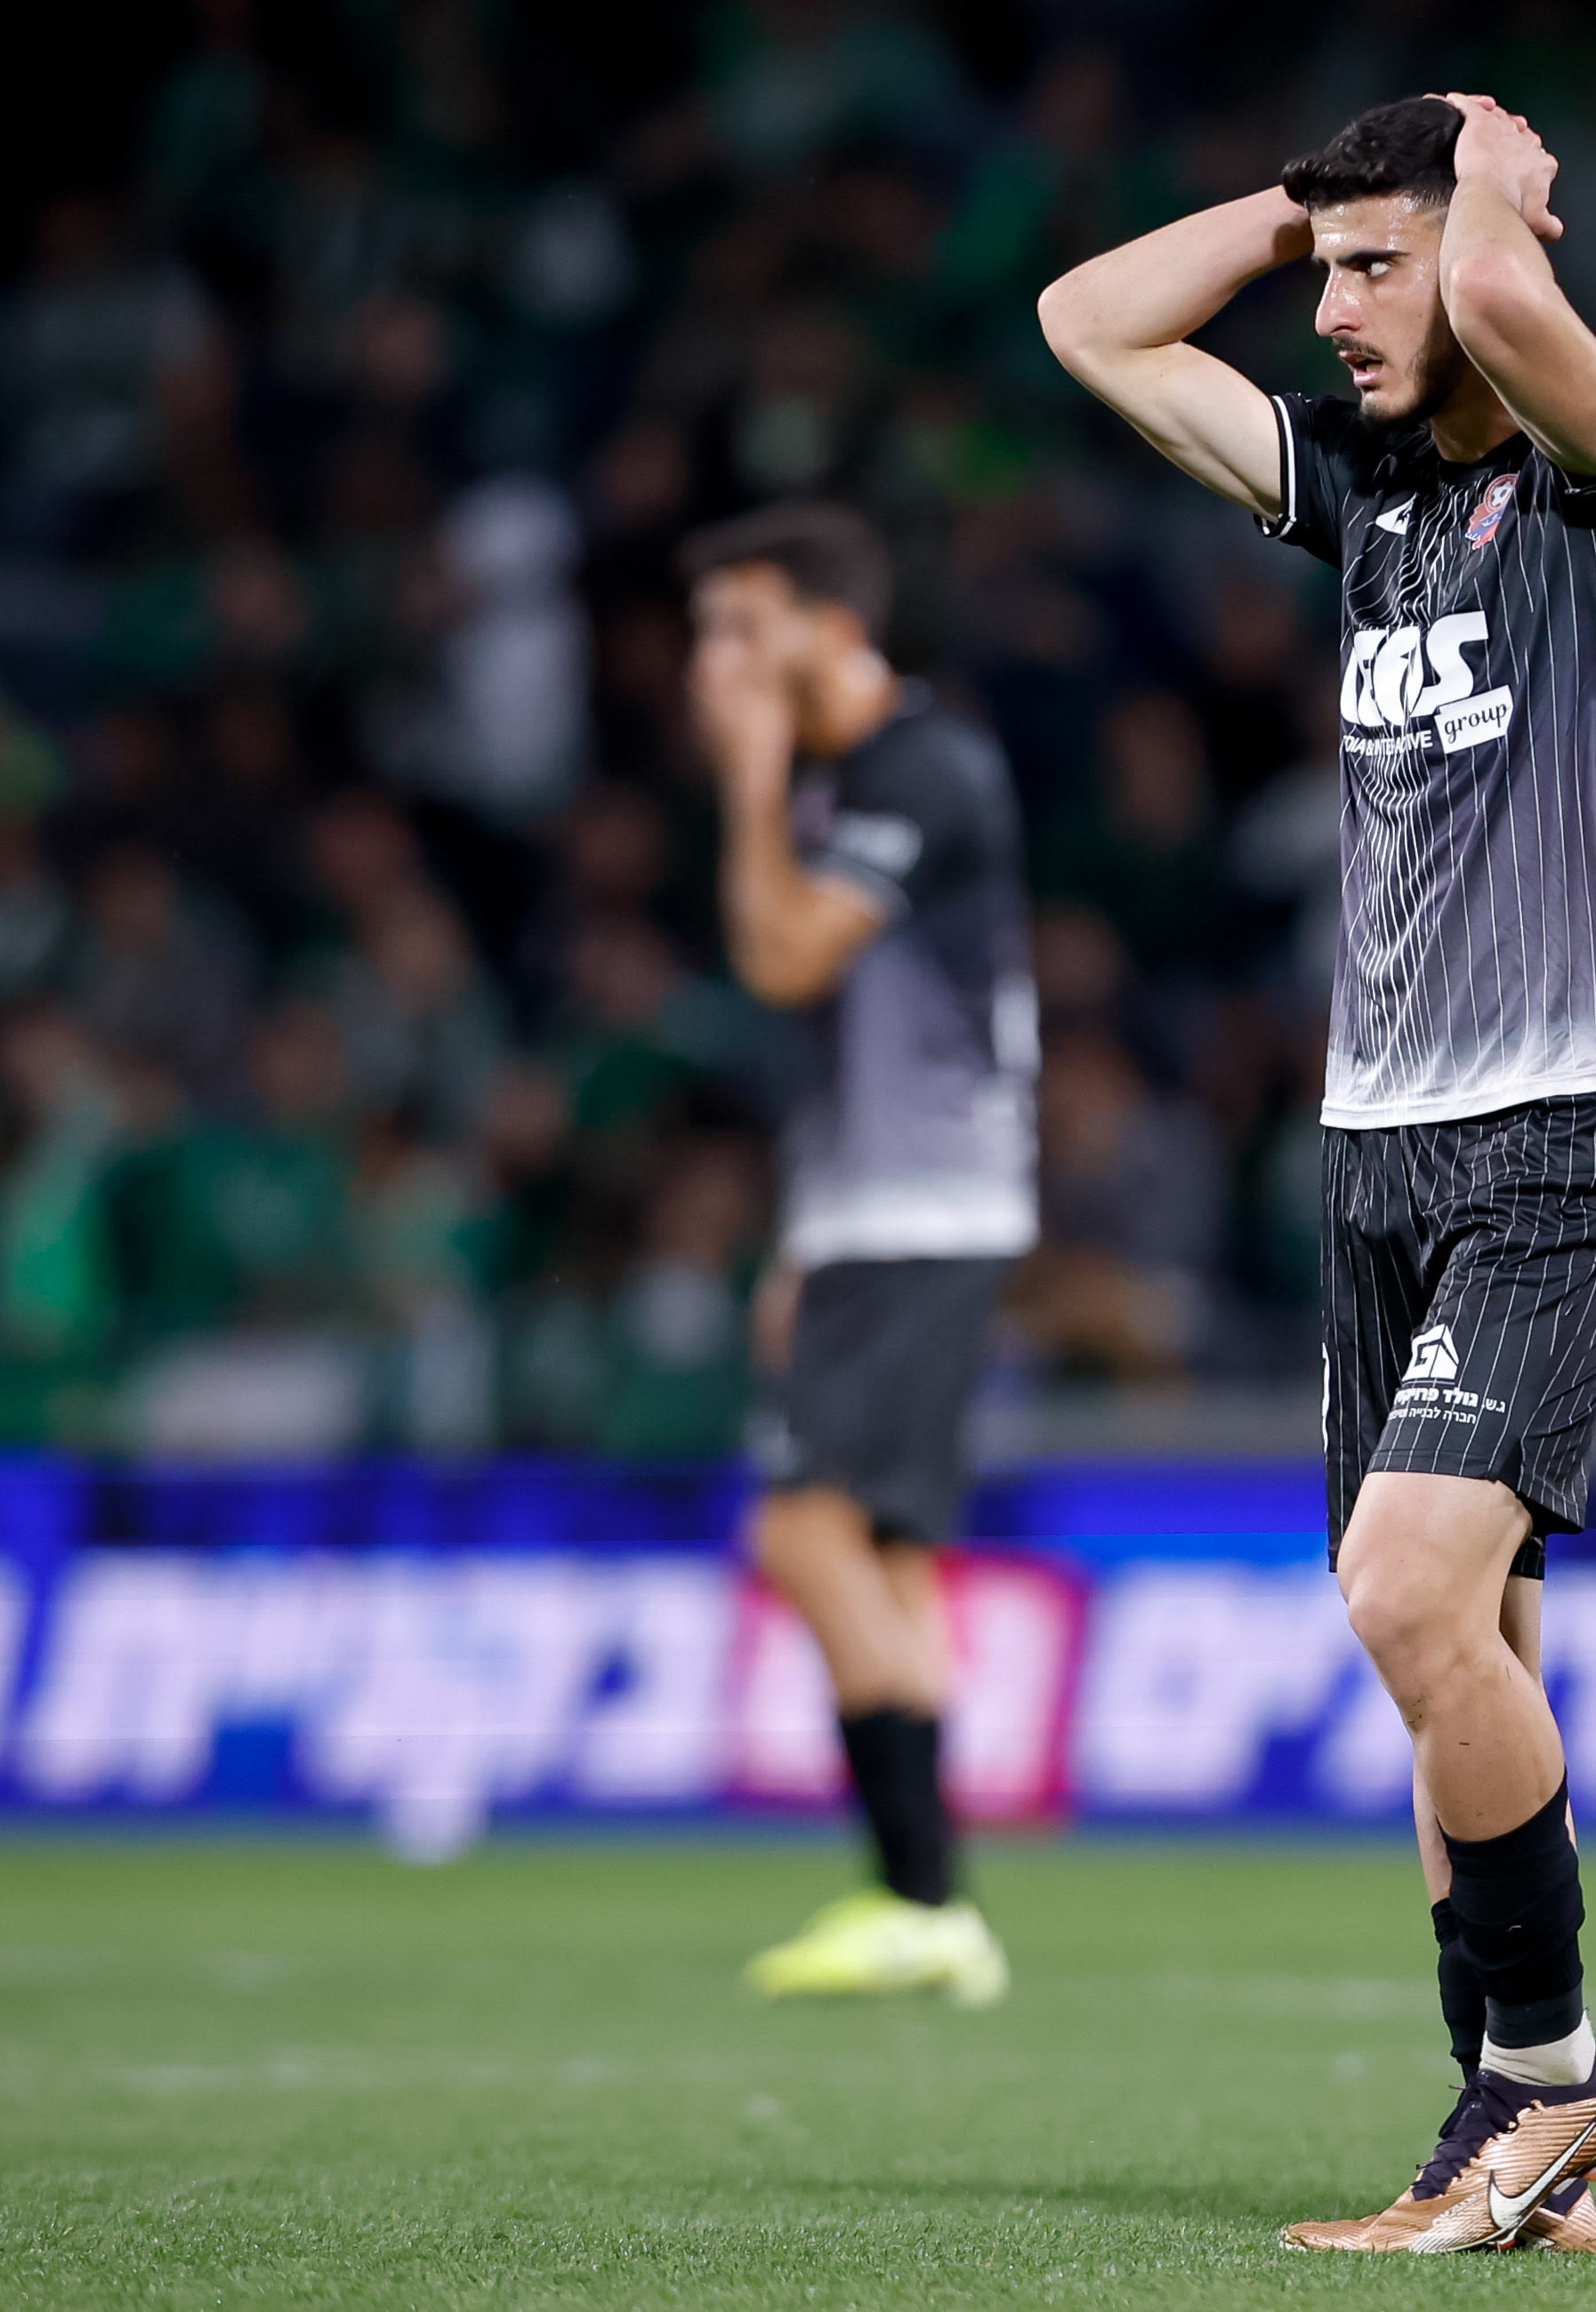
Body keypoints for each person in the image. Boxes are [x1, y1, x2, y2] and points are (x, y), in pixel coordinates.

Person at [1040, 91, 1596, 2253]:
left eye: (1376, 272)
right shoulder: (1363, 493)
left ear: (1487, 254)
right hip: (1379, 1152)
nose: (1335, 313)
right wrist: (1297, 213)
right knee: (1461, 1655)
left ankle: (1555, 2083)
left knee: (1407, 1593)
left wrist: (1496, 214)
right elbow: (1089, 324)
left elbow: (1515, 304)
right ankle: (1497, 2148)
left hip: (1570, 1136)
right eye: (1328, 274)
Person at [681, 503, 1035, 2010]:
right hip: (868, 1214)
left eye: (742, 628)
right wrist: (797, 1237)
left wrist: (749, 775)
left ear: (833, 628)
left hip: (925, 1211)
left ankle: (922, 1896)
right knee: (885, 1553)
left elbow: (780, 959)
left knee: (802, 1530)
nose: (719, 665)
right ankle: (927, 1904)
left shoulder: (920, 770)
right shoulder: (856, 778)